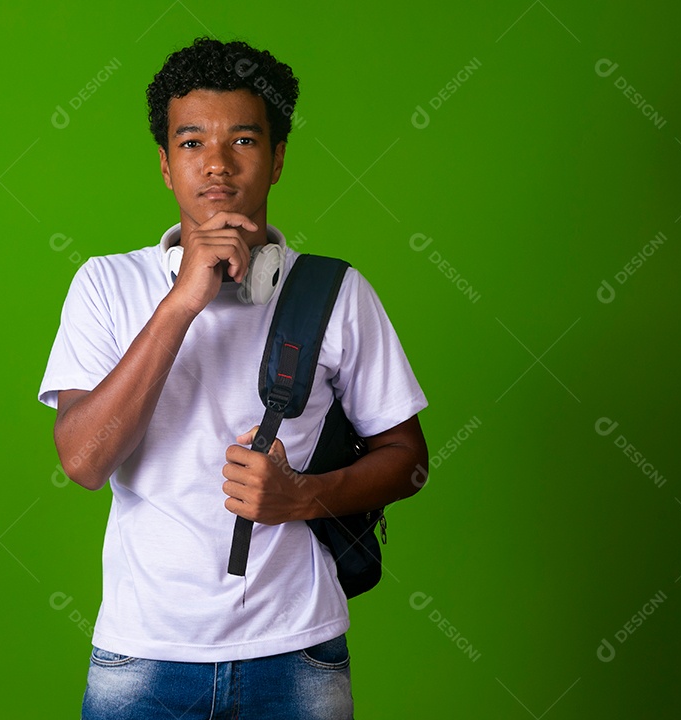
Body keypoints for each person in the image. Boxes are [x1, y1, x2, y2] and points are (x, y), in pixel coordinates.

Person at [39, 36, 429, 720]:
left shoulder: (336, 291)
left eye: (242, 140)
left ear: (277, 159)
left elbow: (409, 461)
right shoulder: (105, 284)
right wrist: (180, 304)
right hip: (142, 655)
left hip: (298, 653)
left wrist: (301, 495)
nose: (216, 163)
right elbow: (84, 460)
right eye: (191, 142)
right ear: (166, 165)